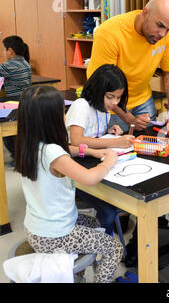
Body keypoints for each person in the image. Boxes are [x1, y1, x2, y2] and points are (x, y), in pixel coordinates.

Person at [14, 85, 123, 283]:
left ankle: (76, 276)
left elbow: (65, 151)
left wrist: (90, 151)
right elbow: (90, 178)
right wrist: (108, 162)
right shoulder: (53, 153)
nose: (65, 115)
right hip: (54, 235)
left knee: (95, 224)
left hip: (37, 228)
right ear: (52, 119)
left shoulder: (29, 145)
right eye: (62, 112)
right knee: (114, 248)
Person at [87, 0, 169, 132]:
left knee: (149, 147)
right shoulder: (109, 33)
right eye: (160, 25)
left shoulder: (166, 35)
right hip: (111, 105)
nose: (162, 34)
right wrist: (130, 119)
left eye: (168, 29)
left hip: (143, 100)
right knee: (117, 149)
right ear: (145, 13)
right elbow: (101, 86)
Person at [66, 64, 133, 236]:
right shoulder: (81, 106)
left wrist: (109, 133)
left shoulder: (103, 108)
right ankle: (105, 244)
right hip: (76, 170)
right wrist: (116, 142)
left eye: (118, 98)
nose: (115, 103)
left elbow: (94, 135)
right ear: (97, 90)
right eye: (111, 97)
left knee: (124, 199)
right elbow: (77, 140)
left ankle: (106, 240)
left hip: (96, 166)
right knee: (109, 211)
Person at [1, 35, 32, 166]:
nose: (3, 52)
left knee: (6, 132)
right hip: (27, 101)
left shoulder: (8, 66)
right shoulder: (25, 62)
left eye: (4, 49)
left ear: (10, 51)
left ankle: (16, 157)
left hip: (13, 103)